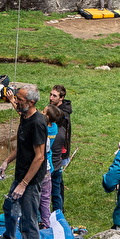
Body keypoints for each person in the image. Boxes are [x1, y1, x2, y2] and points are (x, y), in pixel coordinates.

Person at [0, 84, 48, 239]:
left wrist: (24, 185)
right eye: (16, 98)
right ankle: (9, 238)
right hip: (20, 175)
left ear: (31, 102)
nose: (16, 101)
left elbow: (39, 157)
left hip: (30, 181)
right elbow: (23, 145)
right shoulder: (25, 115)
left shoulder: (38, 123)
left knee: (28, 221)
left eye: (19, 99)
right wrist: (6, 161)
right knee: (9, 207)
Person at [49, 83, 72, 213]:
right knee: (57, 182)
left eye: (55, 96)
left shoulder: (62, 115)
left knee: (57, 183)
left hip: (59, 152)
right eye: (51, 94)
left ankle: (59, 210)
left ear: (61, 98)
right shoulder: (56, 109)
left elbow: (61, 137)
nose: (51, 97)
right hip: (57, 152)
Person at [39, 103, 61, 228]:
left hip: (41, 164)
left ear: (47, 117)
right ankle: (46, 222)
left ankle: (37, 220)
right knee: (46, 197)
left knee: (37, 196)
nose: (41, 112)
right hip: (49, 164)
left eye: (43, 111)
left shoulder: (43, 128)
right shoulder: (55, 128)